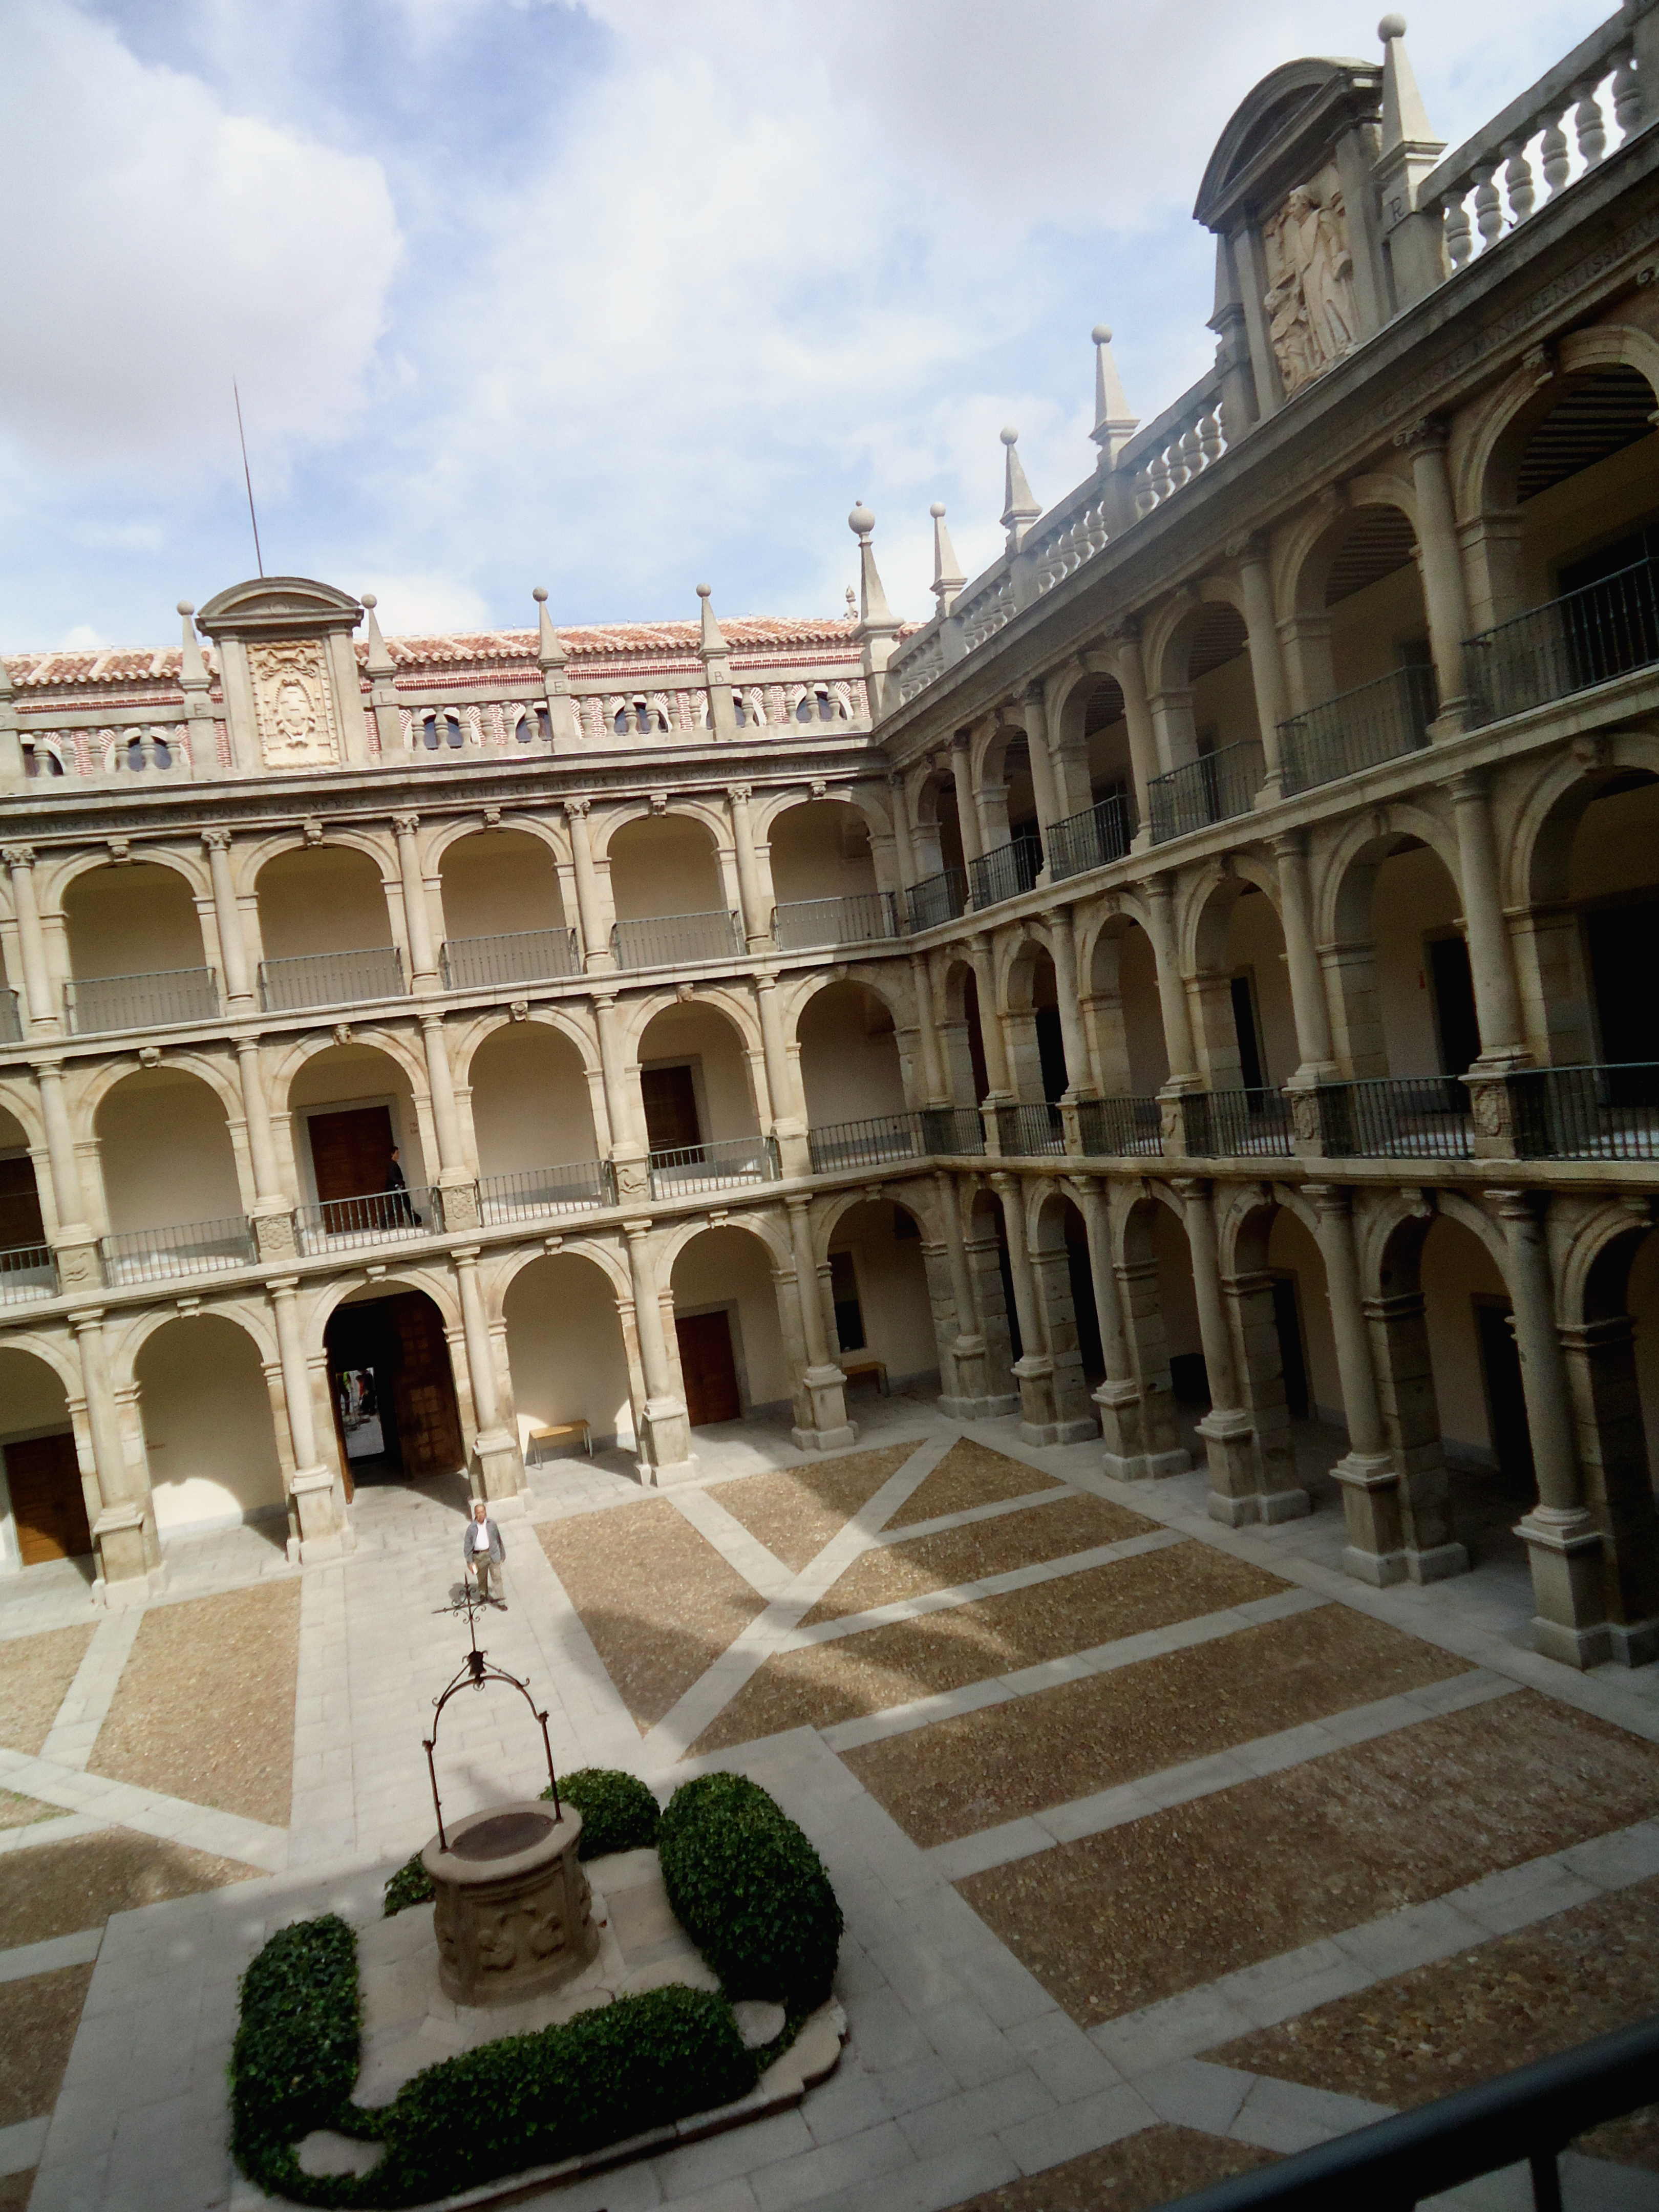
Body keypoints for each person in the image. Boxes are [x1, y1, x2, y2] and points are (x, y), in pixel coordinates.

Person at [462, 1498, 506, 1607]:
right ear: (475, 1515)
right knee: (481, 1577)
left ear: (485, 1512)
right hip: (479, 1556)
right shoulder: (471, 1528)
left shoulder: (492, 1524)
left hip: (492, 1554)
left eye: (483, 1512)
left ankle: (500, 1600)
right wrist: (470, 1561)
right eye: (478, 1513)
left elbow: (498, 1539)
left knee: (497, 1577)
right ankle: (483, 1594)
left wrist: (502, 1553)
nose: (481, 1515)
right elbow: (467, 1546)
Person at [386, 1145, 421, 1227]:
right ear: (392, 1154)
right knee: (394, 1208)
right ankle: (382, 1223)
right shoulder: (392, 1165)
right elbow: (393, 1177)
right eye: (397, 1153)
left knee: (407, 1205)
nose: (399, 1155)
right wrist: (400, 1183)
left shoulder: (394, 1164)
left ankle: (415, 1221)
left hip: (400, 1189)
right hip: (397, 1190)